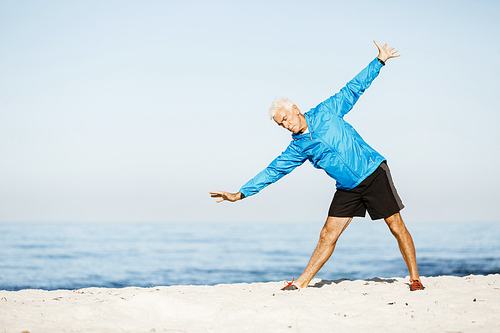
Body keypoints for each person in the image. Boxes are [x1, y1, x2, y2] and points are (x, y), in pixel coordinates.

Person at [210, 40, 424, 292]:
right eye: (281, 124)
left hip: (372, 172)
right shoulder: (298, 147)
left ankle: (415, 278)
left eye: (286, 119)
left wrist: (379, 61)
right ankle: (301, 283)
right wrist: (241, 193)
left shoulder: (327, 112)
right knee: (327, 235)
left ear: (296, 110)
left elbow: (353, 88)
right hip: (347, 188)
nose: (285, 125)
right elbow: (274, 170)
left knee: (396, 225)